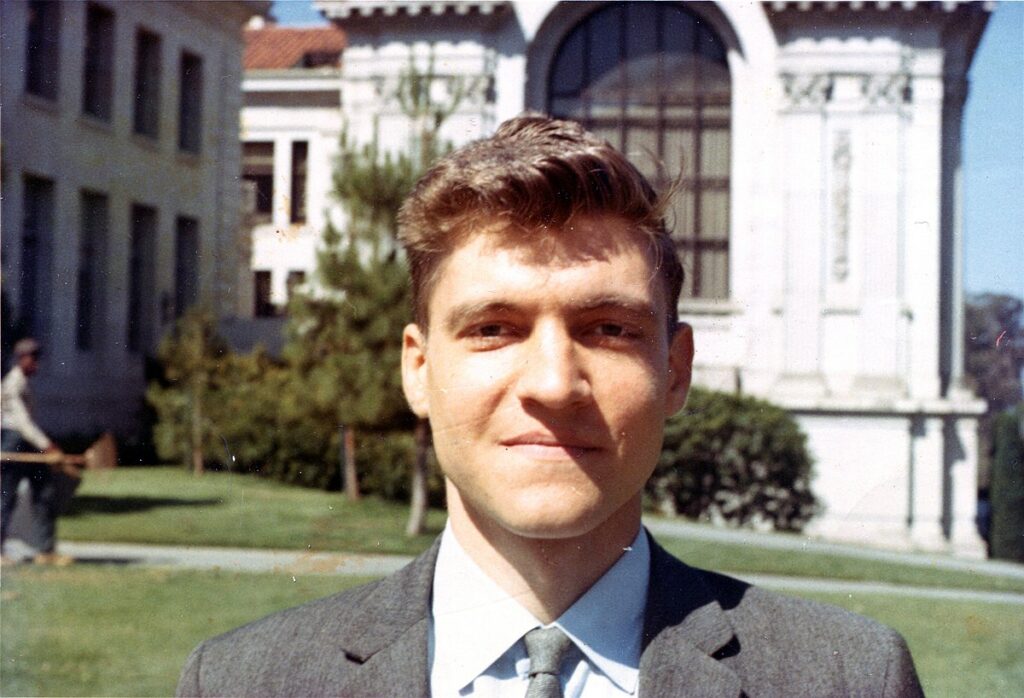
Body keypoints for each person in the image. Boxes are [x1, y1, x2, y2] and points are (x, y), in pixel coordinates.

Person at [178, 115, 923, 697]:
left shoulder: (850, 679)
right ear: (418, 368)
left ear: (675, 370)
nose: (553, 382)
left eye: (609, 329)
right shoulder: (244, 683)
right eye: (493, 328)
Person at [1, 337, 68, 565]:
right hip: (13, 442)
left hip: (27, 442)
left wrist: (47, 449)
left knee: (44, 492)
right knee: (5, 497)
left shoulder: (24, 384)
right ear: (22, 359)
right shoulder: (12, 384)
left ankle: (45, 551)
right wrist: (48, 446)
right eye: (34, 359)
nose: (37, 365)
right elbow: (22, 423)